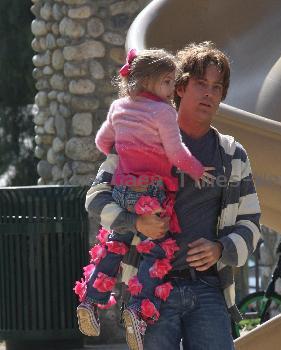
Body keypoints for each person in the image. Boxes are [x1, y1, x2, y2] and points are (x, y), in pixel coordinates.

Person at [85, 41, 261, 350]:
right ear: (179, 87)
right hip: (149, 290)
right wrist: (136, 222)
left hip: (208, 288)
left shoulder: (232, 155)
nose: (209, 93)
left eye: (217, 87)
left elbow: (251, 224)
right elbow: (96, 196)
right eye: (201, 83)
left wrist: (220, 248)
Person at [74, 48, 215, 342]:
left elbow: (103, 142)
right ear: (149, 81)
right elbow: (177, 154)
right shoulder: (164, 112)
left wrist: (125, 153)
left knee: (116, 243)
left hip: (123, 189)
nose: (170, 90)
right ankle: (137, 309)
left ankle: (90, 299)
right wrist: (198, 170)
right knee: (158, 250)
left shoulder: (118, 107)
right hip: (151, 192)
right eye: (167, 82)